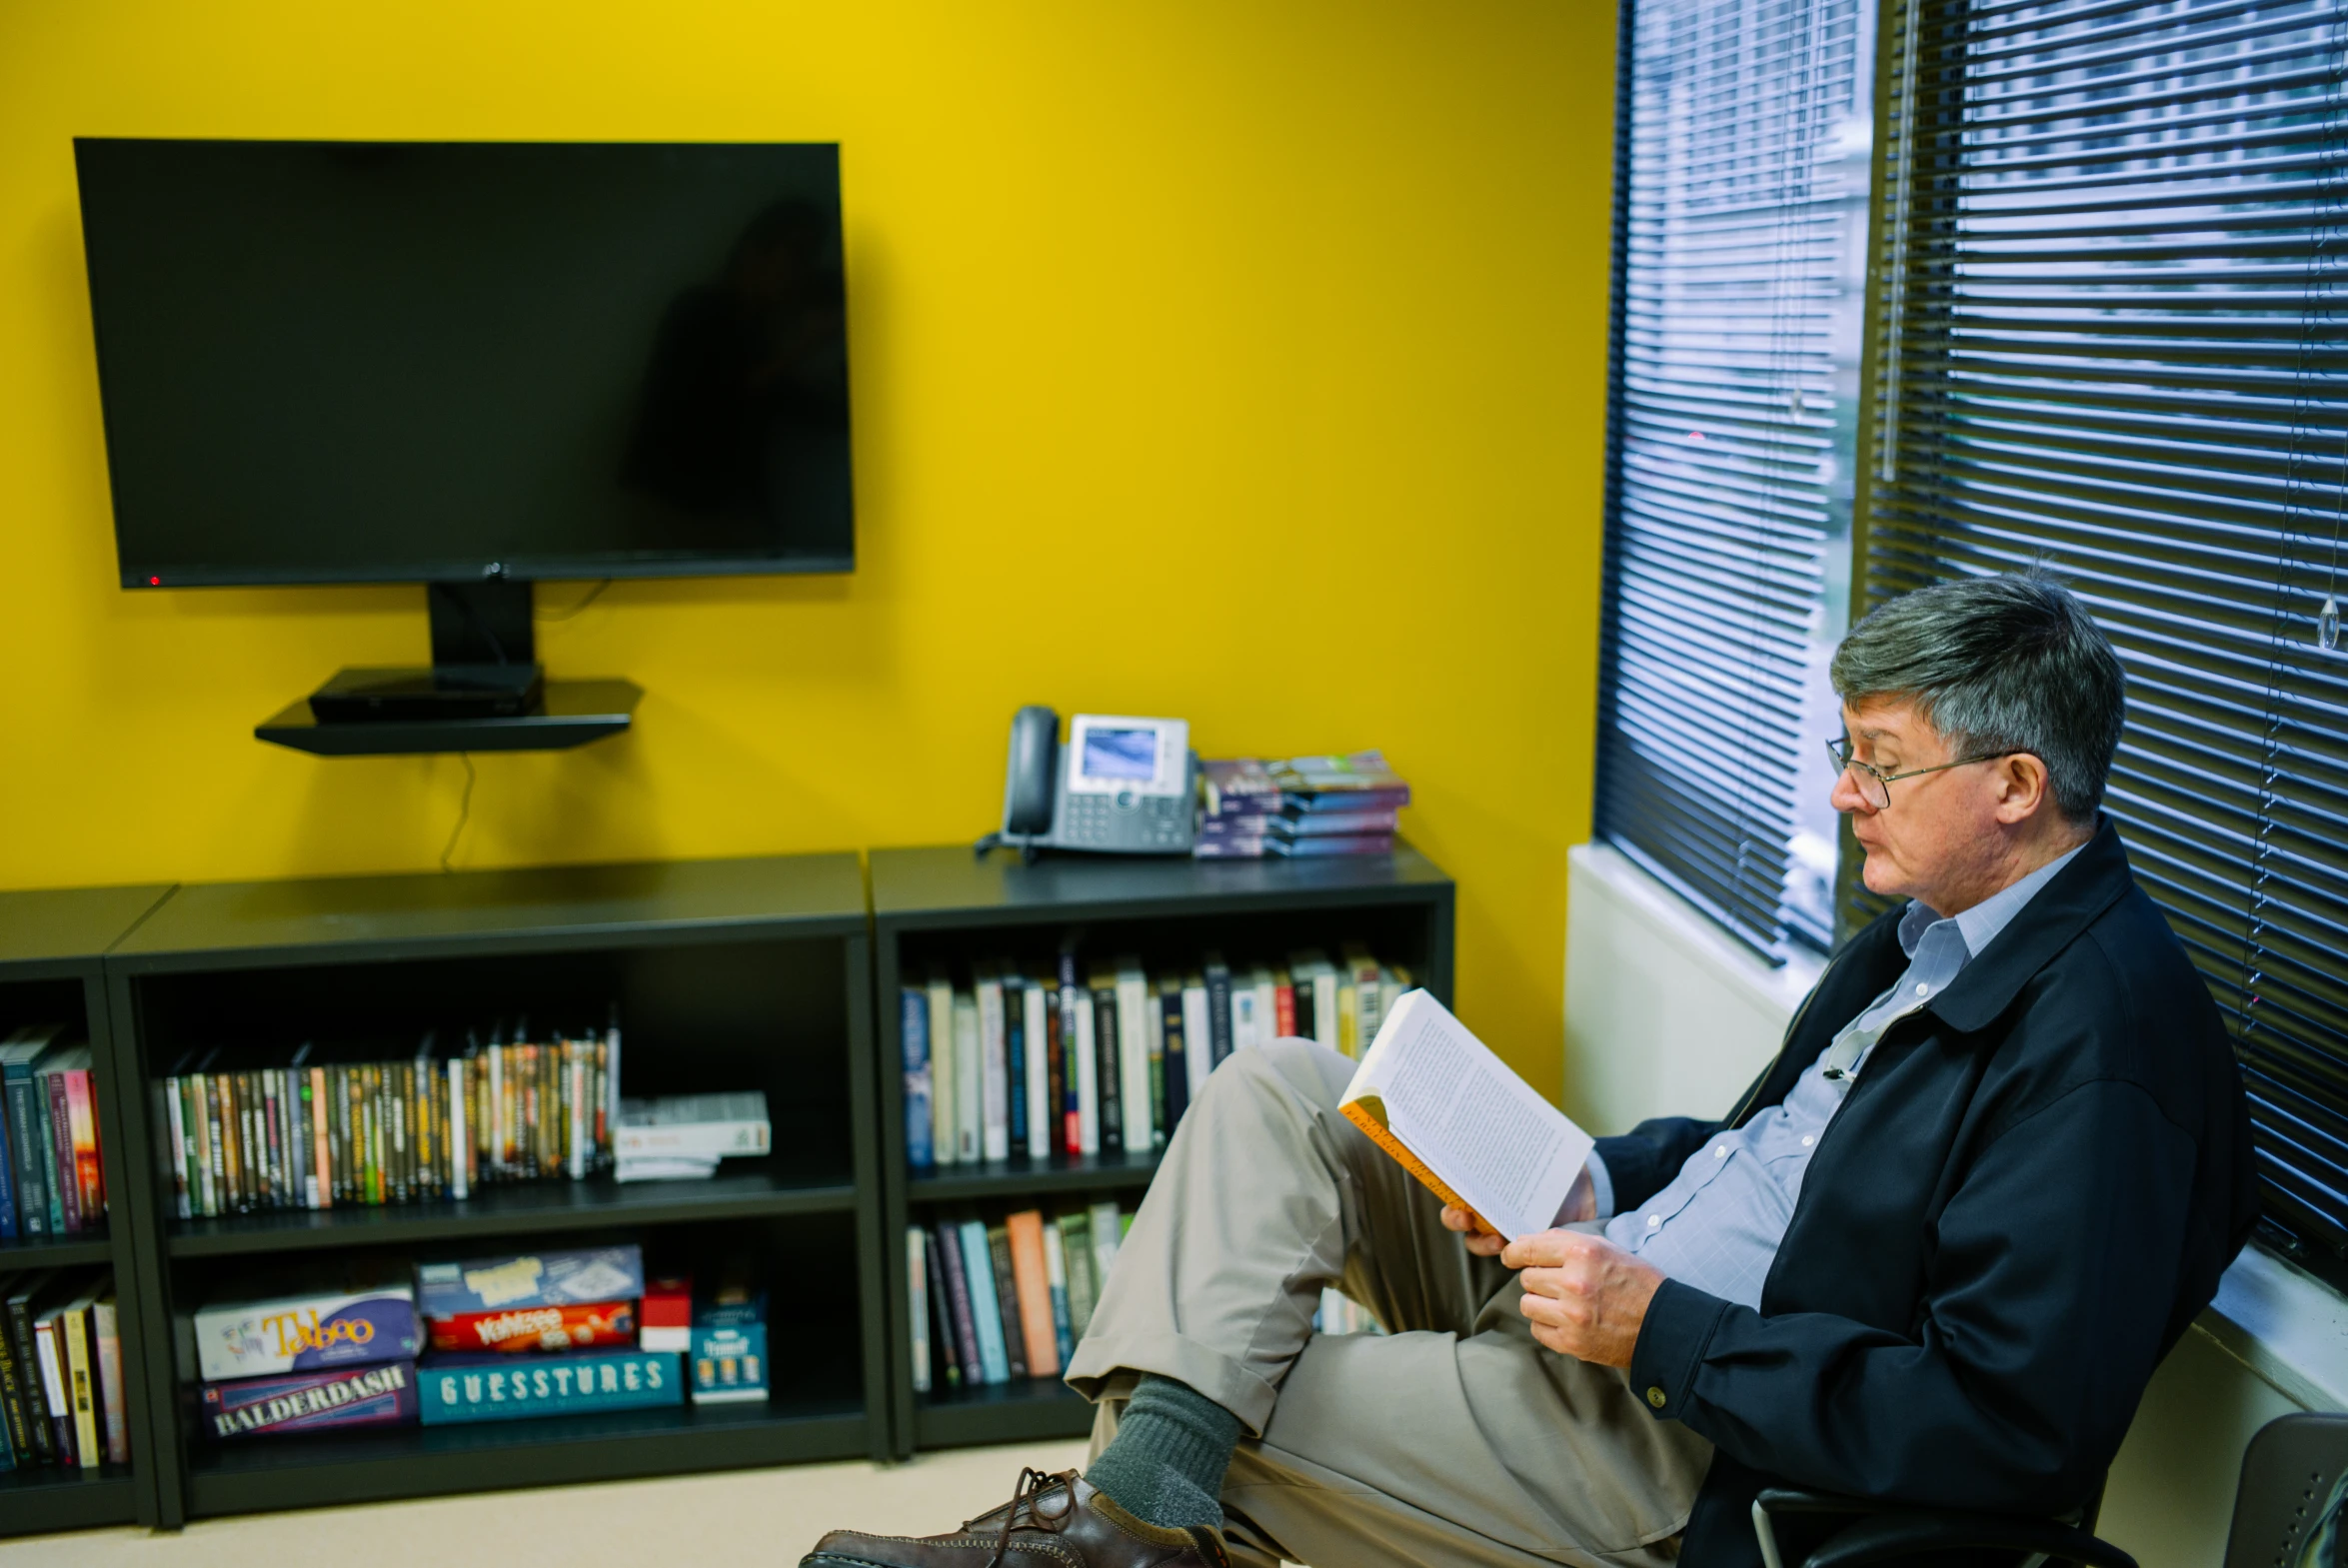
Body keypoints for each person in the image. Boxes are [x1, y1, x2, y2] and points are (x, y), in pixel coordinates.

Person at [805, 572, 2258, 1568]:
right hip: (1605, 1292)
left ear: (2015, 786)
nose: (1842, 793)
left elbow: (2007, 1424)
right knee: (1282, 1085)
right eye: (1843, 750)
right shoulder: (1934, 932)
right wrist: (1598, 1175)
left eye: (1880, 762)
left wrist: (1657, 1330)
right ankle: (1132, 1531)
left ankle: (1126, 1528)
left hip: (1686, 1443)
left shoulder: (2106, 1053)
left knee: (1227, 1408)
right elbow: (1778, 1150)